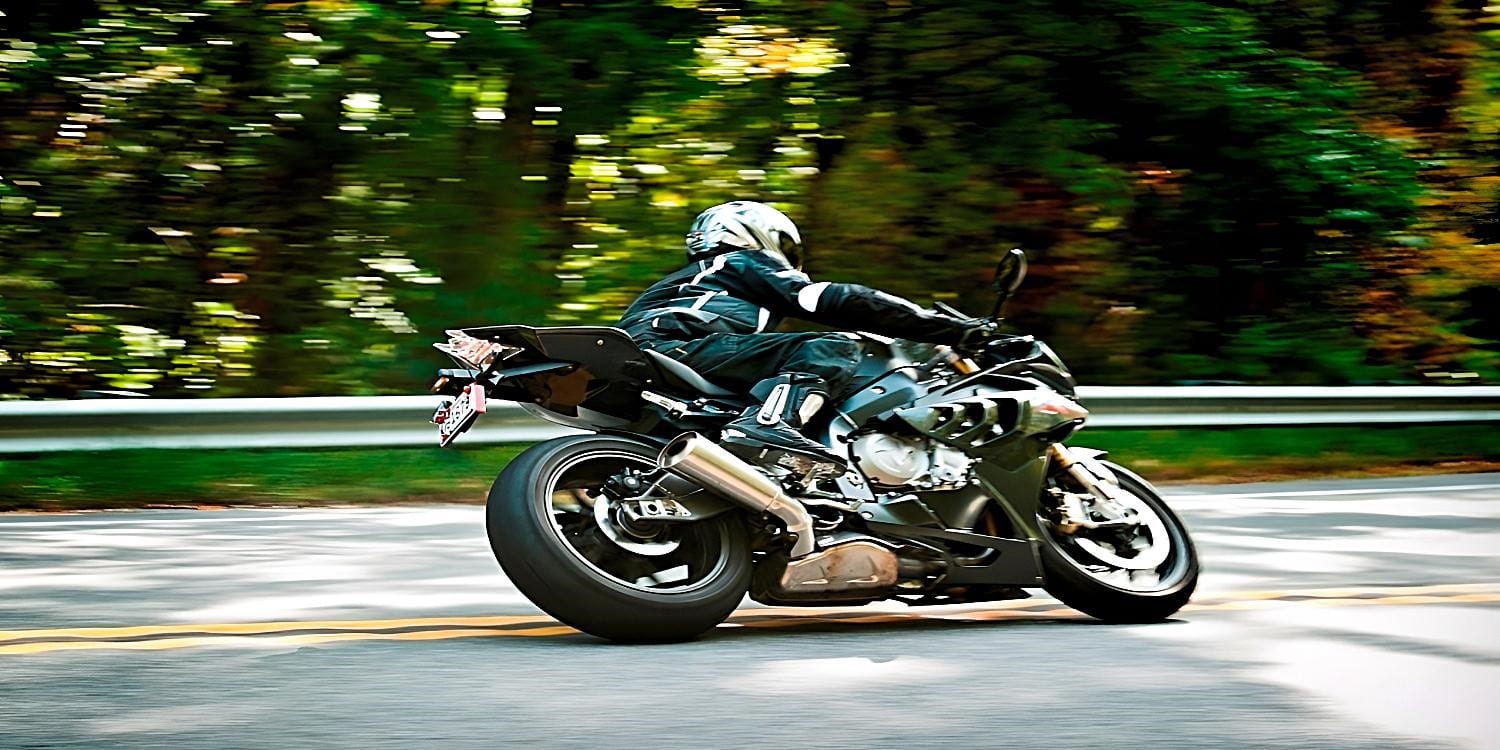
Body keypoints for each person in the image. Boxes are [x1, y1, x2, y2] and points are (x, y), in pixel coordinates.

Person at [617, 201, 994, 470]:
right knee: (833, 346)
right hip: (674, 346)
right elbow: (834, 300)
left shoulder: (692, 283)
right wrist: (951, 329)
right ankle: (768, 425)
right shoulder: (741, 262)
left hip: (643, 357)